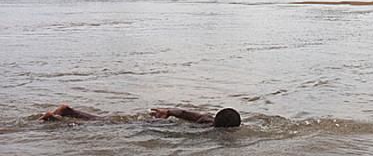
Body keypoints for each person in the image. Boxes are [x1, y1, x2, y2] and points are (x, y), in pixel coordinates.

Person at [39, 104, 241, 128]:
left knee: (105, 122)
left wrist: (168, 111)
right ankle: (60, 118)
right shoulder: (211, 131)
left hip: (160, 123)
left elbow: (187, 113)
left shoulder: (206, 118)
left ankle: (70, 112)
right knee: (106, 125)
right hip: (153, 128)